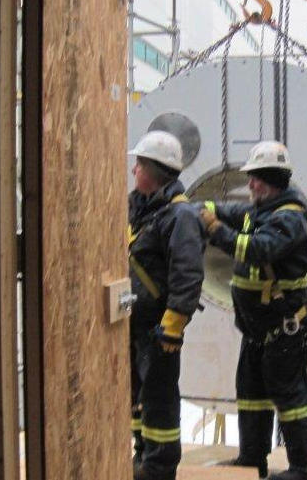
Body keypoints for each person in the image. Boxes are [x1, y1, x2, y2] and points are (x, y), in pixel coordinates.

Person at [200, 141, 307, 480]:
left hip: (284, 331)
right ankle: (252, 460)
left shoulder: (288, 219)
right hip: (257, 331)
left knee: (290, 400)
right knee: (251, 396)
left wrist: (213, 228)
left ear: (274, 181)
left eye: (256, 180)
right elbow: (228, 210)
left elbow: (256, 249)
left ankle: (302, 469)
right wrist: (199, 208)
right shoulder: (260, 211)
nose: (250, 185)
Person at [127, 130, 205, 480]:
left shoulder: (180, 217)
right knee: (140, 398)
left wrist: (171, 329)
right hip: (136, 324)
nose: (133, 172)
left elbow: (187, 276)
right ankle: (143, 455)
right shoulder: (141, 209)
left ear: (156, 171)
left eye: (139, 165)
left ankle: (159, 467)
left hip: (159, 329)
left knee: (159, 400)